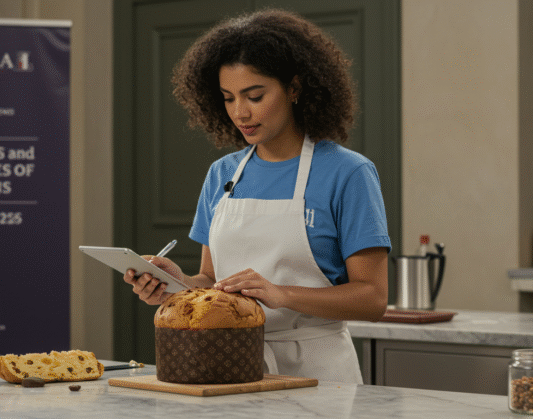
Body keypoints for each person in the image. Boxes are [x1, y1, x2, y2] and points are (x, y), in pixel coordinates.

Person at [123, 8, 391, 383]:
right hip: (229, 366)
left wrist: (281, 294)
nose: (240, 112)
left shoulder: (348, 173)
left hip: (319, 372)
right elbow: (212, 281)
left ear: (294, 88)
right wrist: (176, 284)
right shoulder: (223, 174)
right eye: (228, 98)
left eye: (254, 95)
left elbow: (373, 299)